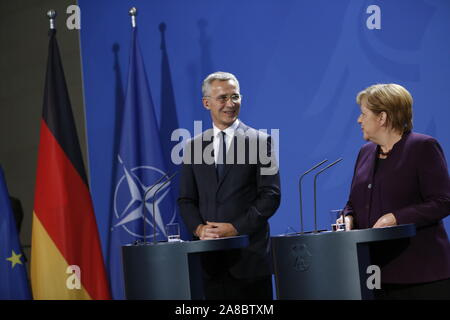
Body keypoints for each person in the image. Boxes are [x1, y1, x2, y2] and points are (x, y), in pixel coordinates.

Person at [177, 71, 281, 300]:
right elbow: (186, 200)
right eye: (222, 98)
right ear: (207, 103)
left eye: (235, 97)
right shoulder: (193, 147)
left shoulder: (262, 141)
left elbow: (270, 196)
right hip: (208, 263)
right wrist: (199, 229)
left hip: (249, 261)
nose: (230, 104)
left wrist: (234, 228)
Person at [341, 83, 450, 299]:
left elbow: (443, 201)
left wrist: (396, 217)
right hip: (375, 275)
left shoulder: (423, 147)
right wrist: (348, 216)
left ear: (382, 117)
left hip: (421, 275)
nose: (359, 120)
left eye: (363, 114)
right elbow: (353, 202)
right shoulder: (365, 152)